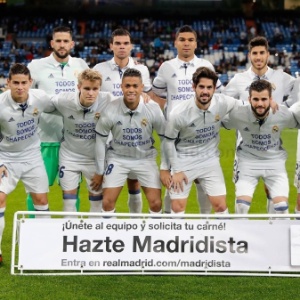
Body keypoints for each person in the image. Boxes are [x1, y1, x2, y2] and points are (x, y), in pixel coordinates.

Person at [152, 25, 223, 214]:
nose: (186, 43)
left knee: (203, 182)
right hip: (174, 134)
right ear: (175, 42)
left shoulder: (206, 66)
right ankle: (169, 227)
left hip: (201, 132)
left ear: (196, 43)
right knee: (172, 180)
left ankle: (205, 224)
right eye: (182, 39)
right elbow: (158, 93)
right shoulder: (166, 67)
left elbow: (218, 94)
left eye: (190, 40)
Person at [222, 36, 297, 214]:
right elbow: (224, 102)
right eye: (254, 53)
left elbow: (296, 97)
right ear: (249, 55)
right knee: (242, 197)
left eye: (262, 53)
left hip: (271, 143)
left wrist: (281, 110)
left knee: (272, 191)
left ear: (268, 55)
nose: (258, 57)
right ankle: (240, 236)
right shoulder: (239, 79)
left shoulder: (282, 78)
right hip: (246, 144)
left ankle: (272, 231)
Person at [93, 28, 162, 214]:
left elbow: (147, 96)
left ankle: (135, 224)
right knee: (106, 191)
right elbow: (93, 95)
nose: (121, 47)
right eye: (117, 43)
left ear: (131, 46)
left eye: (125, 43)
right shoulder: (99, 69)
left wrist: (148, 100)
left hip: (137, 128)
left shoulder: (142, 69)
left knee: (135, 182)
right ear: (111, 46)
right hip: (110, 132)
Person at [27, 26, 89, 212]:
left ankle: (69, 233)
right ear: (52, 43)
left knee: (72, 191)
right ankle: (34, 233)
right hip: (43, 140)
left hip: (72, 142)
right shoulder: (36, 67)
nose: (62, 45)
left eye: (65, 41)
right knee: (37, 191)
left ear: (72, 44)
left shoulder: (81, 65)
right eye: (58, 41)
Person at [160, 67, 237, 216]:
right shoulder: (178, 113)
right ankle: (174, 239)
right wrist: (174, 170)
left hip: (210, 160)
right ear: (194, 87)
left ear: (215, 89)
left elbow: (245, 107)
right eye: (201, 87)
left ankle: (223, 238)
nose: (205, 91)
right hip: (183, 160)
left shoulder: (223, 102)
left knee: (221, 207)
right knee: (177, 208)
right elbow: (168, 142)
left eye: (209, 87)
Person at [0, 63, 55, 265]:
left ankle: (47, 249)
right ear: (8, 83)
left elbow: (61, 105)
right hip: (6, 158)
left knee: (41, 200)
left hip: (32, 157)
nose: (20, 87)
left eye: (24, 83)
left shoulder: (39, 98)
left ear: (30, 82)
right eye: (16, 83)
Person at [49, 69, 112, 214]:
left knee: (96, 204)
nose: (91, 93)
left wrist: (145, 96)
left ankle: (91, 235)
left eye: (95, 89)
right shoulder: (64, 100)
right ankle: (70, 236)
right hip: (69, 157)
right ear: (78, 87)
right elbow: (40, 102)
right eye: (87, 88)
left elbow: (129, 101)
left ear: (100, 88)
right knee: (68, 204)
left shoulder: (108, 99)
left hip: (95, 159)